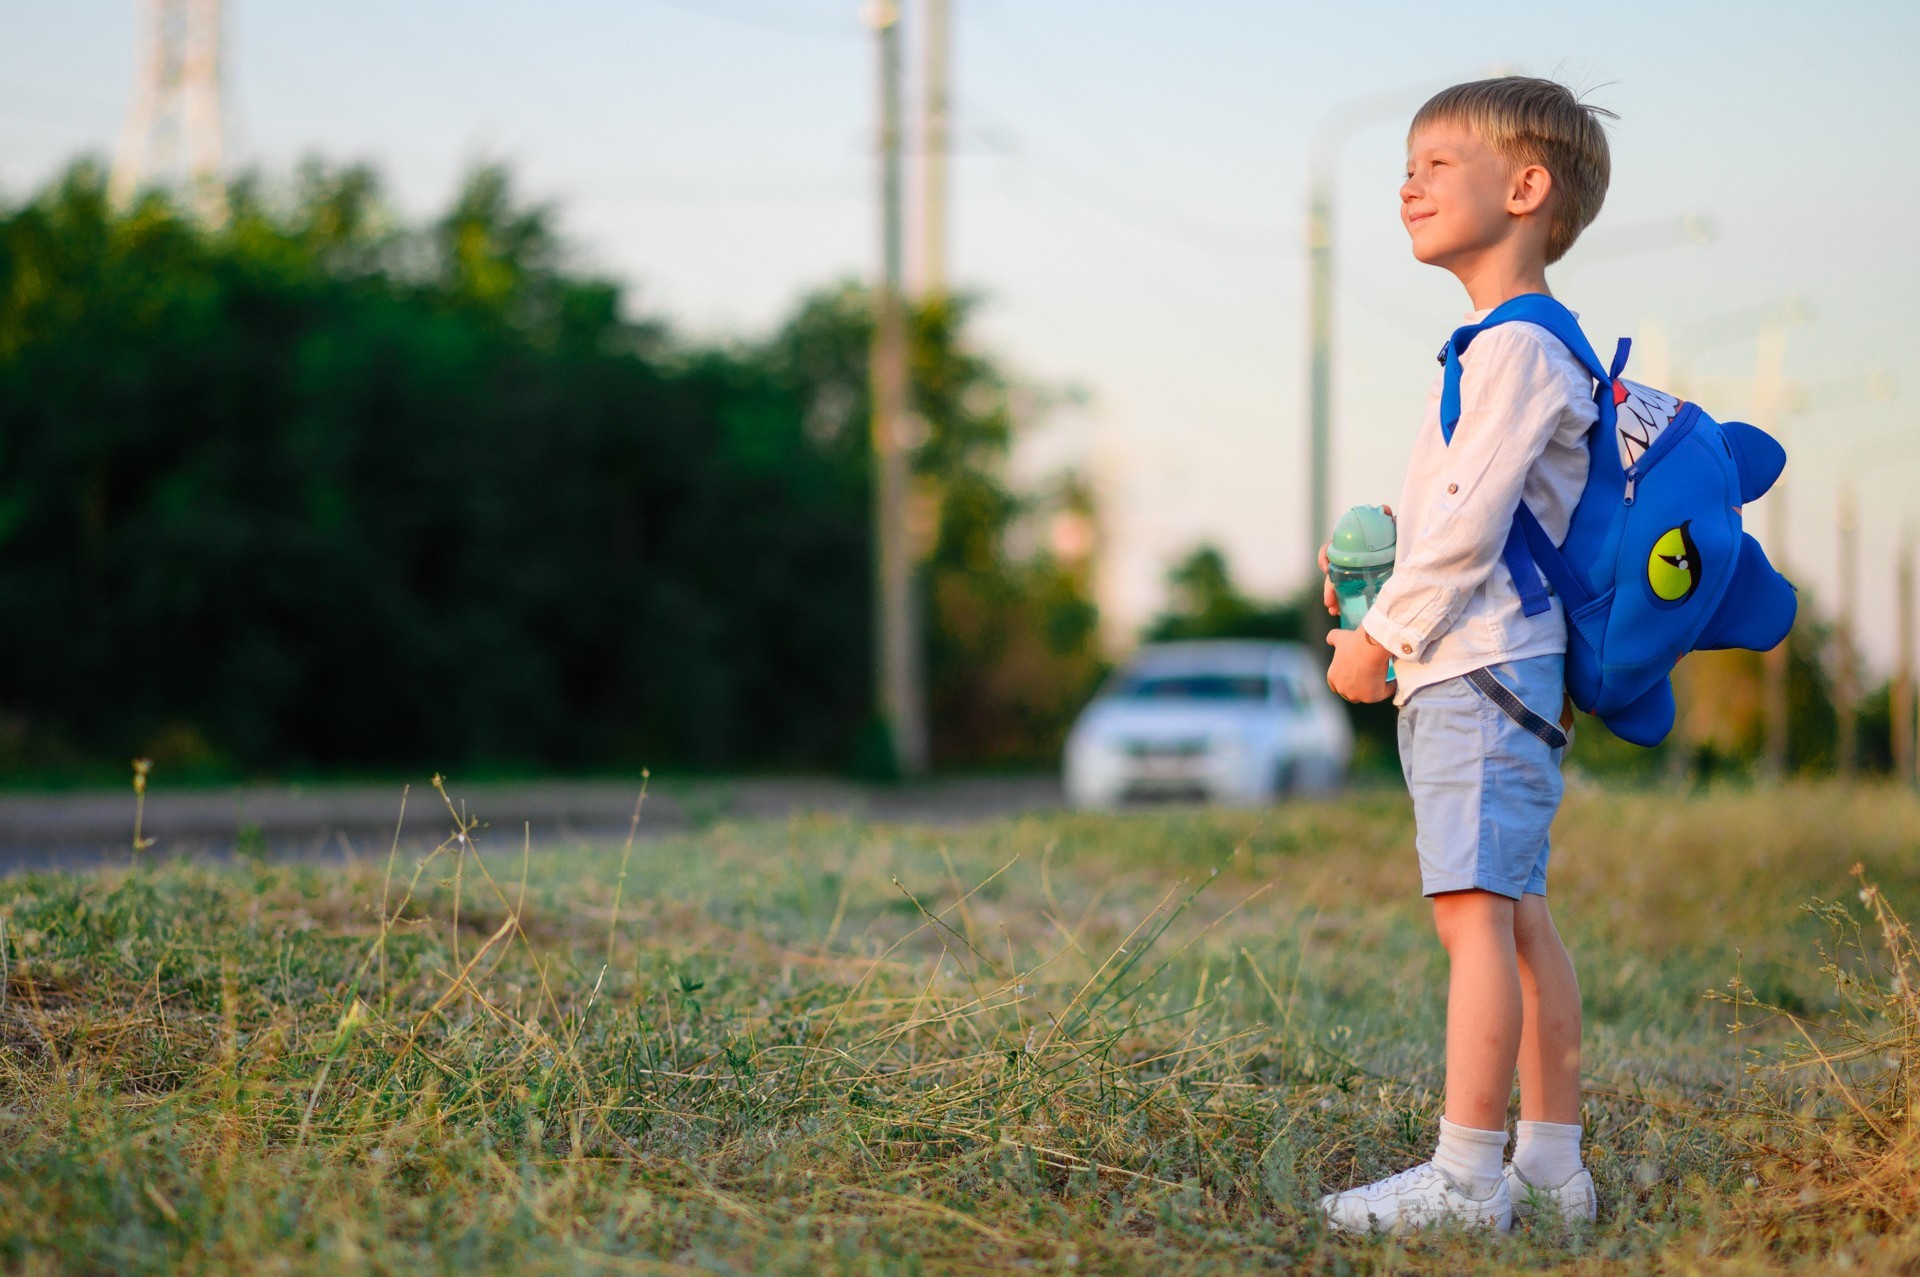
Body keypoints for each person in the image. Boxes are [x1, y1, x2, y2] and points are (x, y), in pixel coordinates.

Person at [1316, 76, 1615, 1234]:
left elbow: (1464, 524)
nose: (1409, 184)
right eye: (1407, 165)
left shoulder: (1515, 348)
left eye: (1437, 163)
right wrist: (1382, 584)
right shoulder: (1515, 344)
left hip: (1479, 668)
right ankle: (1550, 1167)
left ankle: (1466, 1178)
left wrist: (1378, 637)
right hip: (1502, 664)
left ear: (1526, 187)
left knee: (1475, 915)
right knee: (1519, 912)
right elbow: (1461, 517)